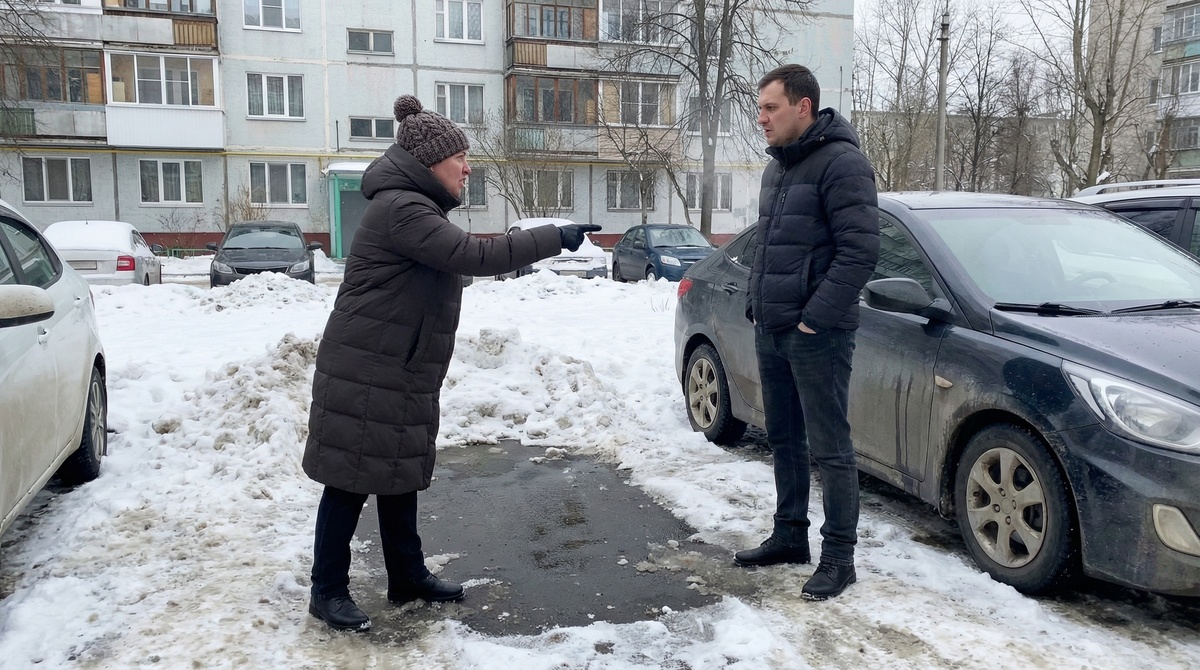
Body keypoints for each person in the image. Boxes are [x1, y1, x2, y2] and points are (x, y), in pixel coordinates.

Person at [302, 95, 600, 631]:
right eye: (460, 157)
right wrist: (553, 237)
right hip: (370, 366)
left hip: (397, 364)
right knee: (349, 479)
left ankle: (406, 575)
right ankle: (327, 590)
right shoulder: (404, 208)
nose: (467, 168)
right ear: (430, 162)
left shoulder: (412, 205)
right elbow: (475, 255)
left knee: (398, 472)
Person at [734, 65, 880, 601]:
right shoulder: (777, 169)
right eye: (760, 108)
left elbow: (860, 252)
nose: (761, 118)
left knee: (830, 446)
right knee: (783, 437)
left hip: (819, 333)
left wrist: (814, 317)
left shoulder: (843, 163)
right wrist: (757, 301)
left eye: (770, 108)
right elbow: (767, 245)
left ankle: (839, 556)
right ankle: (790, 535)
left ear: (804, 107)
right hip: (773, 326)